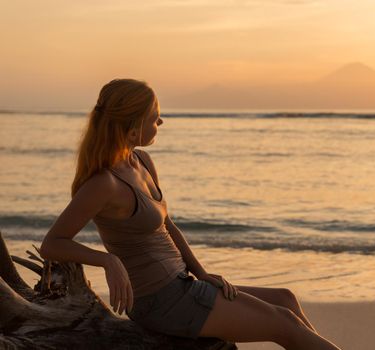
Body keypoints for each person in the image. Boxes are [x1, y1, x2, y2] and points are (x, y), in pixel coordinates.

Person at [40, 78, 342, 350]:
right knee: (283, 323)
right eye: (153, 117)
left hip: (184, 285)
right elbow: (52, 243)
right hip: (160, 301)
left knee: (286, 299)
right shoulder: (104, 184)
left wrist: (201, 272)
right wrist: (107, 260)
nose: (161, 121)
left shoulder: (141, 161)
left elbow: (167, 225)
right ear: (133, 127)